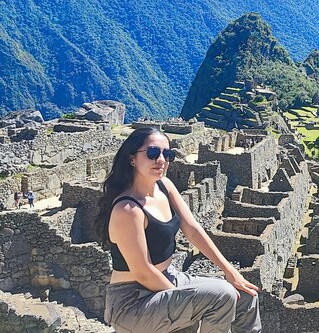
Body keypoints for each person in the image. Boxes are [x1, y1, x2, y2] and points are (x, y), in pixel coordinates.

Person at [94, 127, 261, 333]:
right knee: (222, 295)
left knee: (245, 294)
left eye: (168, 154)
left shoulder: (164, 185)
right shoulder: (128, 210)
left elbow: (192, 230)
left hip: (167, 278)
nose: (161, 159)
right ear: (132, 159)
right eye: (153, 153)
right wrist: (181, 299)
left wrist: (231, 272)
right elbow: (142, 271)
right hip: (133, 302)